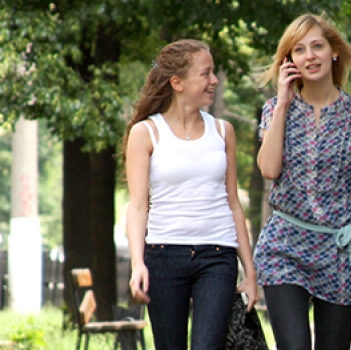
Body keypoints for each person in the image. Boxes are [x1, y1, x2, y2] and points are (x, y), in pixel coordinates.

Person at [124, 39, 258, 350]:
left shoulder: (223, 131)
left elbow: (234, 204)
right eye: (206, 73)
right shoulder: (146, 133)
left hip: (217, 255)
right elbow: (138, 206)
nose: (215, 81)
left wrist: (250, 273)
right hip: (163, 254)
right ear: (178, 83)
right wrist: (137, 263)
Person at [254, 13, 351, 350]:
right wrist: (282, 101)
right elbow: (268, 169)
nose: (310, 56)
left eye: (317, 46)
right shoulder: (275, 108)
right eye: (299, 50)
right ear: (289, 61)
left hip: (339, 253)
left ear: (334, 51)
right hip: (284, 248)